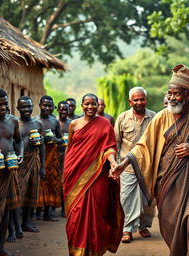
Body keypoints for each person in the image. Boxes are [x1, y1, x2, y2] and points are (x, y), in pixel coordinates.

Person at [111, 64, 189, 256]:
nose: (172, 97)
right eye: (169, 93)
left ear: (187, 94)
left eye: (176, 94)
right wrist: (123, 164)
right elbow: (143, 146)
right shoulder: (161, 117)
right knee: (171, 225)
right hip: (168, 182)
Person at [63, 93, 124, 256]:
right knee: (75, 216)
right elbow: (70, 150)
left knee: (97, 215)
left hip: (98, 177)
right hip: (74, 175)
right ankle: (76, 251)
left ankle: (96, 250)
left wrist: (112, 162)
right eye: (87, 104)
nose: (90, 107)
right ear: (81, 106)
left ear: (98, 105)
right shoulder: (74, 125)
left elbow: (110, 147)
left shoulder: (105, 124)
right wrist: (66, 173)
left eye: (93, 104)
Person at [114, 87, 156, 243]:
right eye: (136, 100)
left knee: (148, 201)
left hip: (149, 167)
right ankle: (127, 229)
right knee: (127, 199)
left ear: (146, 100)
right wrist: (116, 164)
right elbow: (116, 142)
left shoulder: (154, 117)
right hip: (128, 167)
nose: (139, 102)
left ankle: (143, 226)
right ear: (130, 101)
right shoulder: (123, 118)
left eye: (142, 99)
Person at [0, 88, 23, 256]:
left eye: (5, 103)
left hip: (9, 171)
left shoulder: (13, 121)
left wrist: (20, 153)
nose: (2, 107)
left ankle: (0, 248)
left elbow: (18, 141)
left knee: (5, 210)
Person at [17, 96, 45, 232]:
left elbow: (42, 146)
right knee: (19, 195)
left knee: (32, 193)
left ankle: (26, 223)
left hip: (34, 162)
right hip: (19, 164)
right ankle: (16, 227)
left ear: (33, 107)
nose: (26, 109)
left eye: (29, 106)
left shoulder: (38, 124)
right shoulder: (15, 124)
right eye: (23, 107)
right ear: (18, 108)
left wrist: (43, 166)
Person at [36, 95, 63, 221]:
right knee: (38, 183)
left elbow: (61, 139)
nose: (47, 108)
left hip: (52, 156)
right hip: (37, 156)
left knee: (51, 183)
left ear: (53, 107)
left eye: (50, 106)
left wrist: (54, 139)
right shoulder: (35, 121)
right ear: (39, 105)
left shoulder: (54, 121)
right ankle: (35, 212)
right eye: (45, 105)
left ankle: (47, 212)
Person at [57, 101, 71, 217]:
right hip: (55, 155)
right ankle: (51, 208)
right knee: (55, 182)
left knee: (66, 182)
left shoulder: (72, 124)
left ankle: (64, 207)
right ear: (57, 109)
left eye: (66, 109)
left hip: (69, 157)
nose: (64, 111)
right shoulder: (55, 122)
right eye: (62, 109)